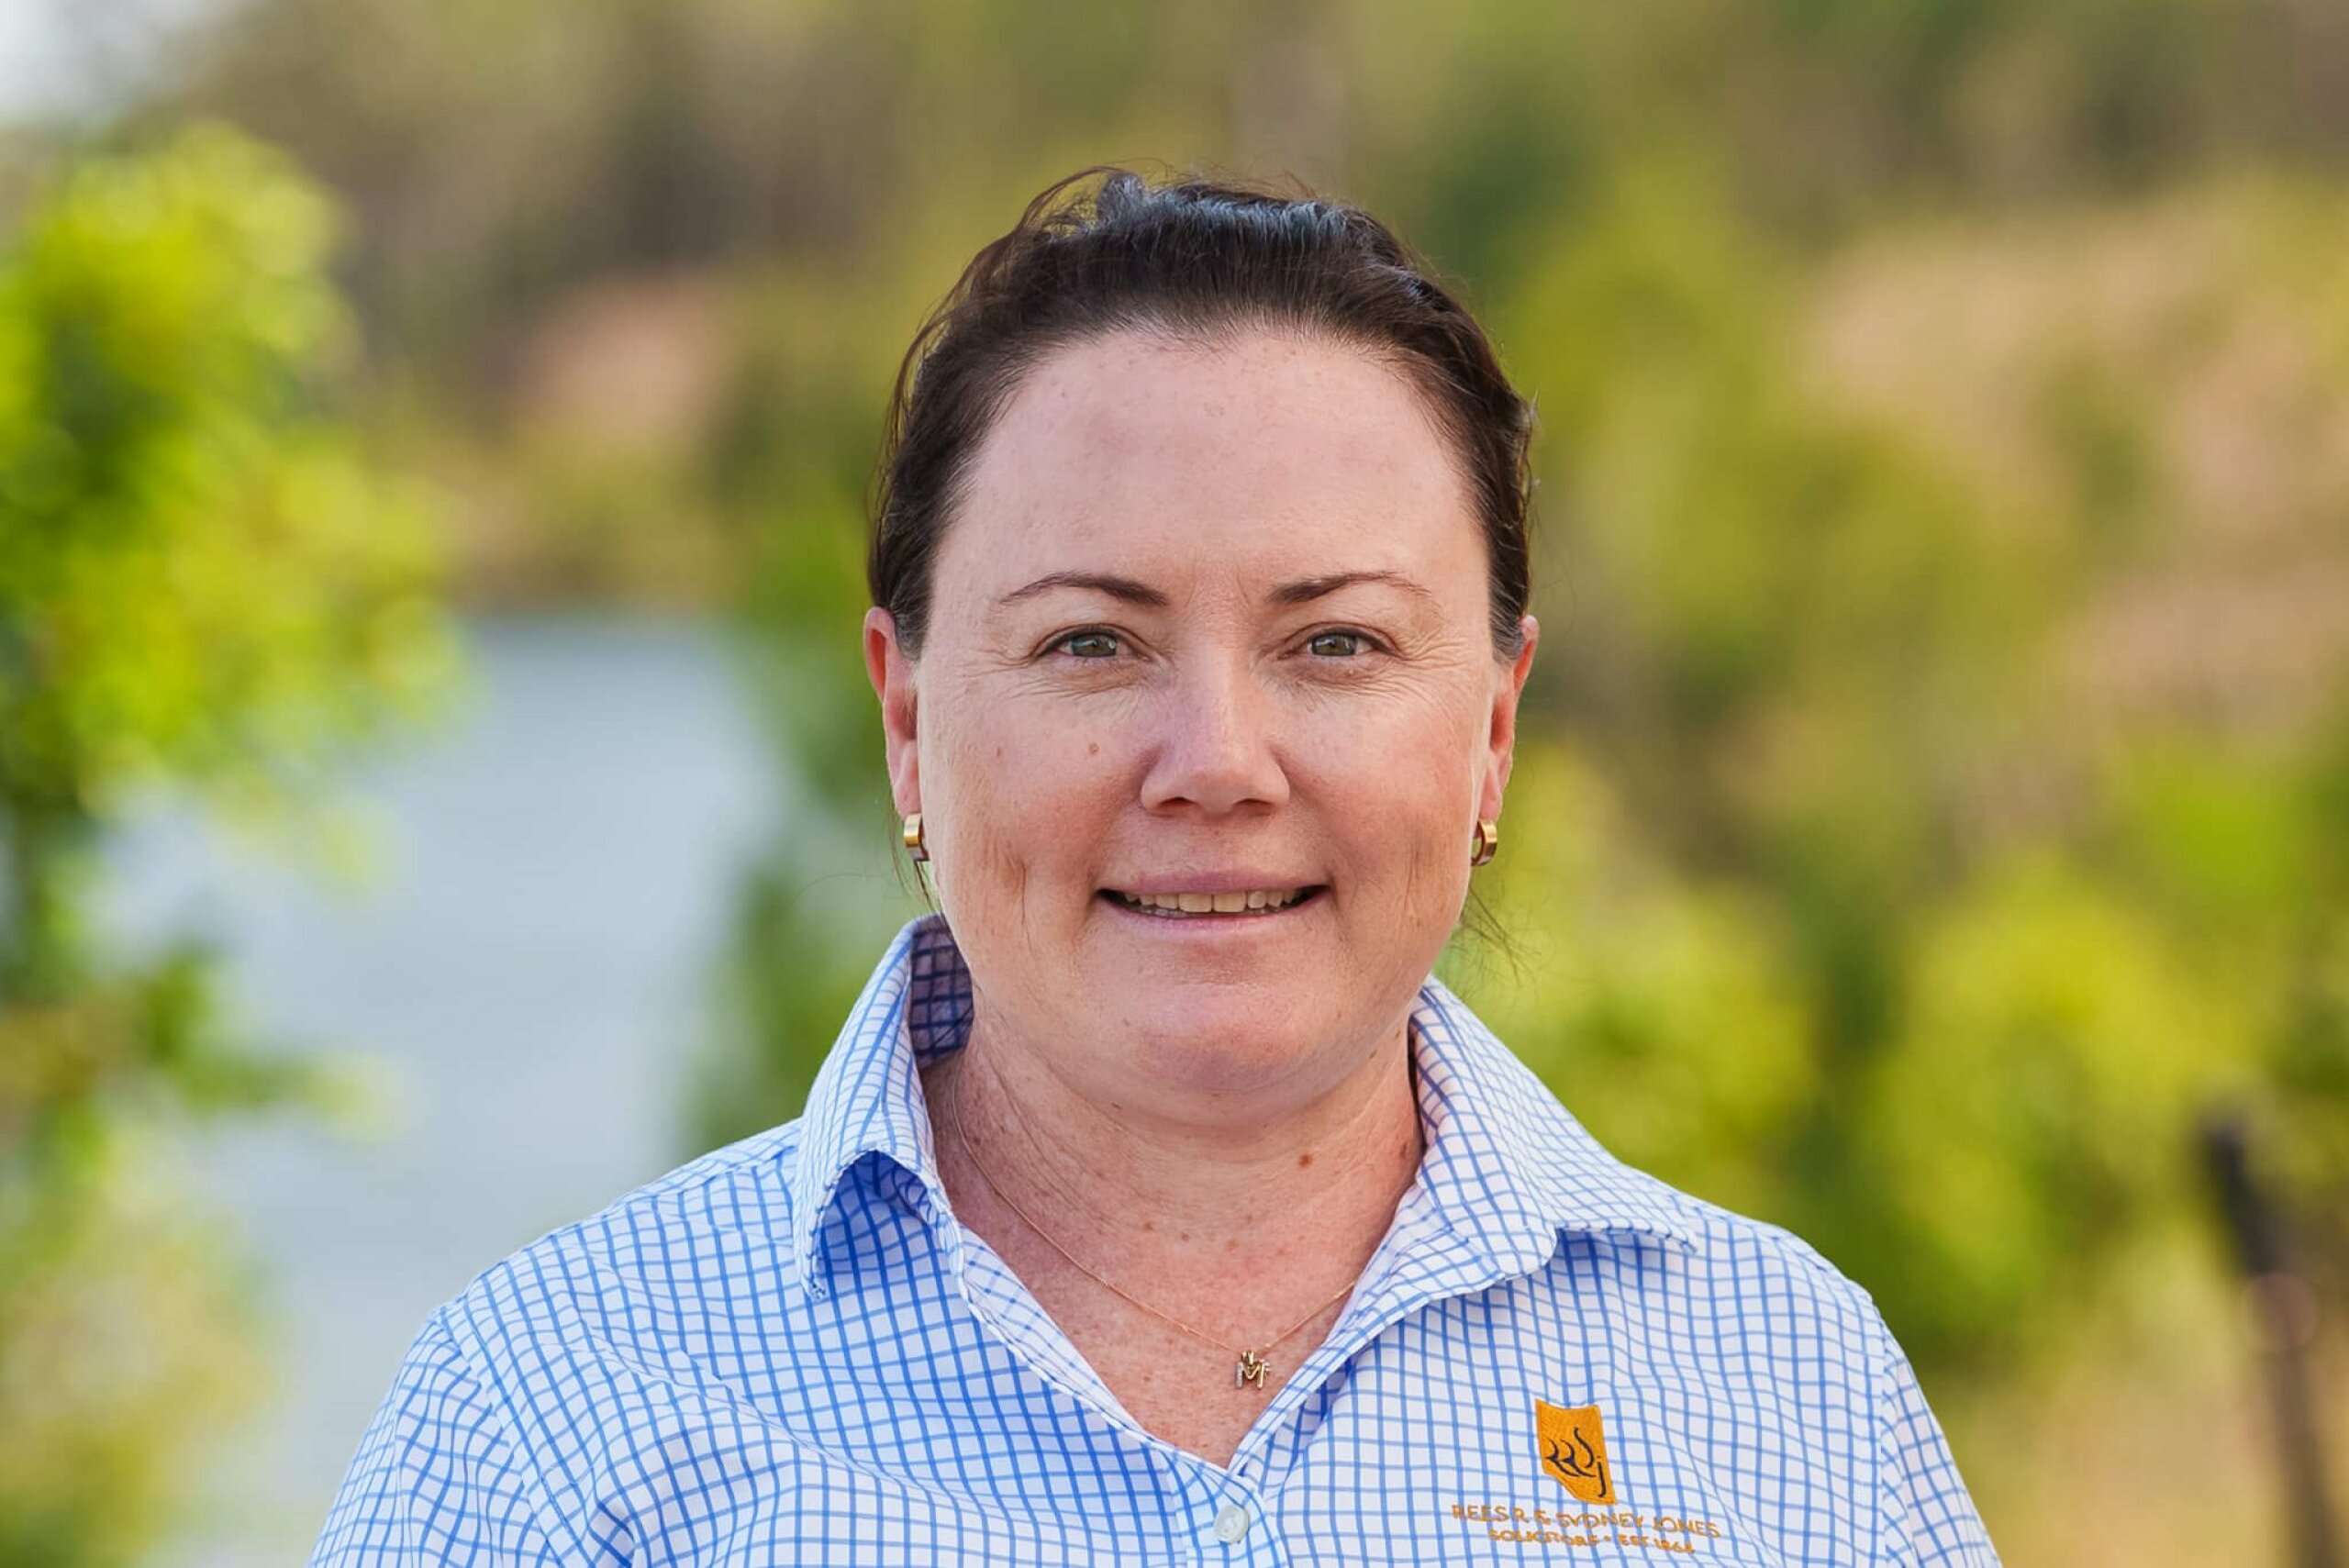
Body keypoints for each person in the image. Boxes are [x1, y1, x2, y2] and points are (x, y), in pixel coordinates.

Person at [311, 167, 2000, 1565]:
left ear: (1492, 728)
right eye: (1091, 646)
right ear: (906, 721)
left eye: (1335, 643)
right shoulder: (555, 1417)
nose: (1215, 766)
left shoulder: (1788, 1396)